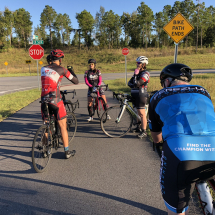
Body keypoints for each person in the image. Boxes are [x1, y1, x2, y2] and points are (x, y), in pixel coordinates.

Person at [149, 63, 215, 215]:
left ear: (167, 82)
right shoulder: (203, 92)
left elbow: (156, 138)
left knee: (176, 210)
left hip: (181, 154)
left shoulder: (158, 96)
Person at [41, 49, 79, 159]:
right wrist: (71, 71)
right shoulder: (62, 69)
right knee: (63, 125)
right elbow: (75, 81)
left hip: (44, 100)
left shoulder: (43, 68)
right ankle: (67, 152)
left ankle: (44, 150)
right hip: (56, 101)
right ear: (60, 59)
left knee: (45, 126)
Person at [128, 56, 150, 138]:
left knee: (141, 114)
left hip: (141, 95)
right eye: (136, 63)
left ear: (144, 64)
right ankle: (138, 127)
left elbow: (137, 83)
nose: (137, 64)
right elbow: (129, 83)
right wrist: (135, 78)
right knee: (136, 112)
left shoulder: (146, 73)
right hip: (134, 94)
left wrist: (136, 77)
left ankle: (144, 131)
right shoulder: (136, 73)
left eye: (139, 63)